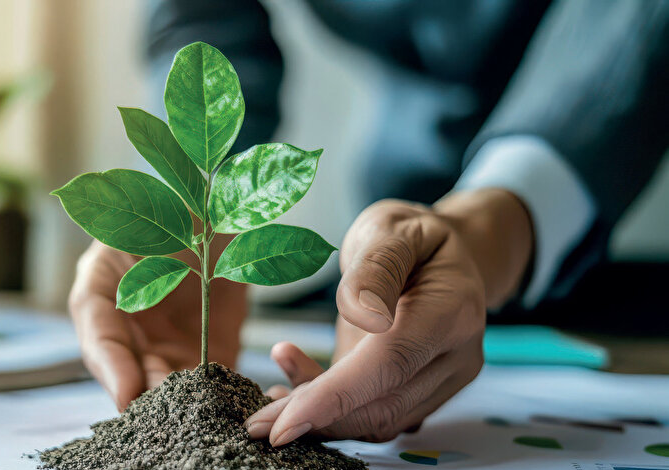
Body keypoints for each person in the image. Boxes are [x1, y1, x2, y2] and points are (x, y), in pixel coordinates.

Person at [69, 1, 669, 446]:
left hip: (608, 230)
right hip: (386, 250)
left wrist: (496, 217)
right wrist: (182, 212)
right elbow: (204, 23)